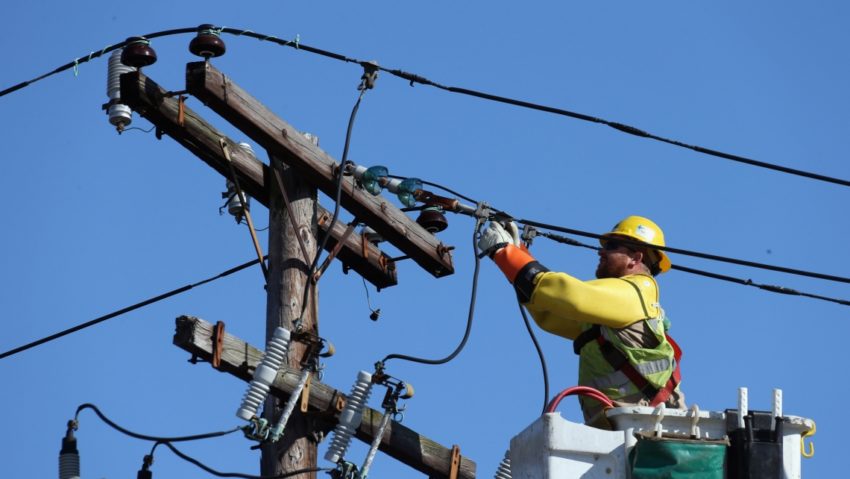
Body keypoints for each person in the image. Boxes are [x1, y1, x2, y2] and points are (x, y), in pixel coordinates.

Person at [478, 215, 685, 427]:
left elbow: (569, 296)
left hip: (644, 425)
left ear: (636, 258)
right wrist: (517, 254)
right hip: (625, 426)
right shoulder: (612, 312)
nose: (600, 251)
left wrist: (505, 252)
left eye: (611, 246)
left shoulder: (638, 291)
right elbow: (550, 314)